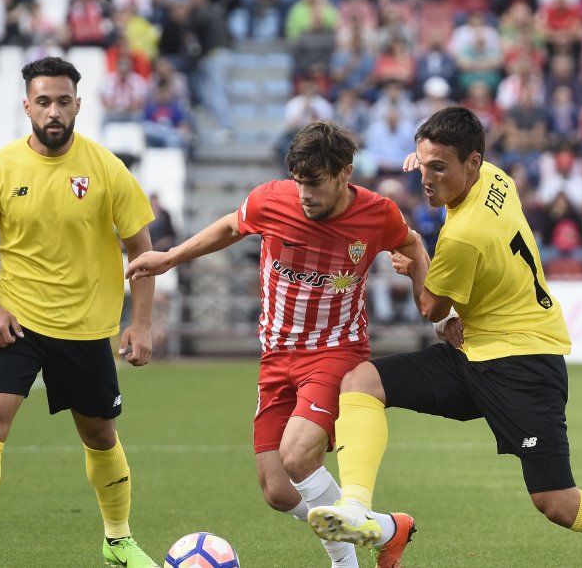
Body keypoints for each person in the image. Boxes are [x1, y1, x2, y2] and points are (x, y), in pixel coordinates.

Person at [307, 107, 582, 568]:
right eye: (423, 165)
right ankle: (357, 509)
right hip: (476, 349)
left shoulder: (463, 235)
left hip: (523, 362)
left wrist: (417, 261)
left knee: (558, 503)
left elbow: (431, 309)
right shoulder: (497, 177)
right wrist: (430, 158)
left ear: (471, 164)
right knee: (361, 381)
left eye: (440, 168)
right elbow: (451, 301)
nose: (427, 179)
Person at [126, 121, 429, 568]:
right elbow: (232, 226)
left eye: (315, 183)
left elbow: (414, 243)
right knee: (277, 489)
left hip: (336, 352)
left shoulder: (377, 214)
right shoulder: (272, 199)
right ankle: (387, 528)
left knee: (297, 454)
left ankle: (345, 565)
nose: (304, 192)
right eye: (299, 181)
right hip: (275, 355)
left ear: (345, 174)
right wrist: (170, 258)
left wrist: (428, 299)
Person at [0, 57, 159, 568]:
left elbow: (142, 252)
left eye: (62, 101)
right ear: (26, 107)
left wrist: (141, 323)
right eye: (43, 102)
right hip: (17, 319)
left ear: (78, 105)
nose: (53, 112)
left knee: (100, 434)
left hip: (86, 327)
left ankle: (118, 539)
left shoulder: (106, 169)